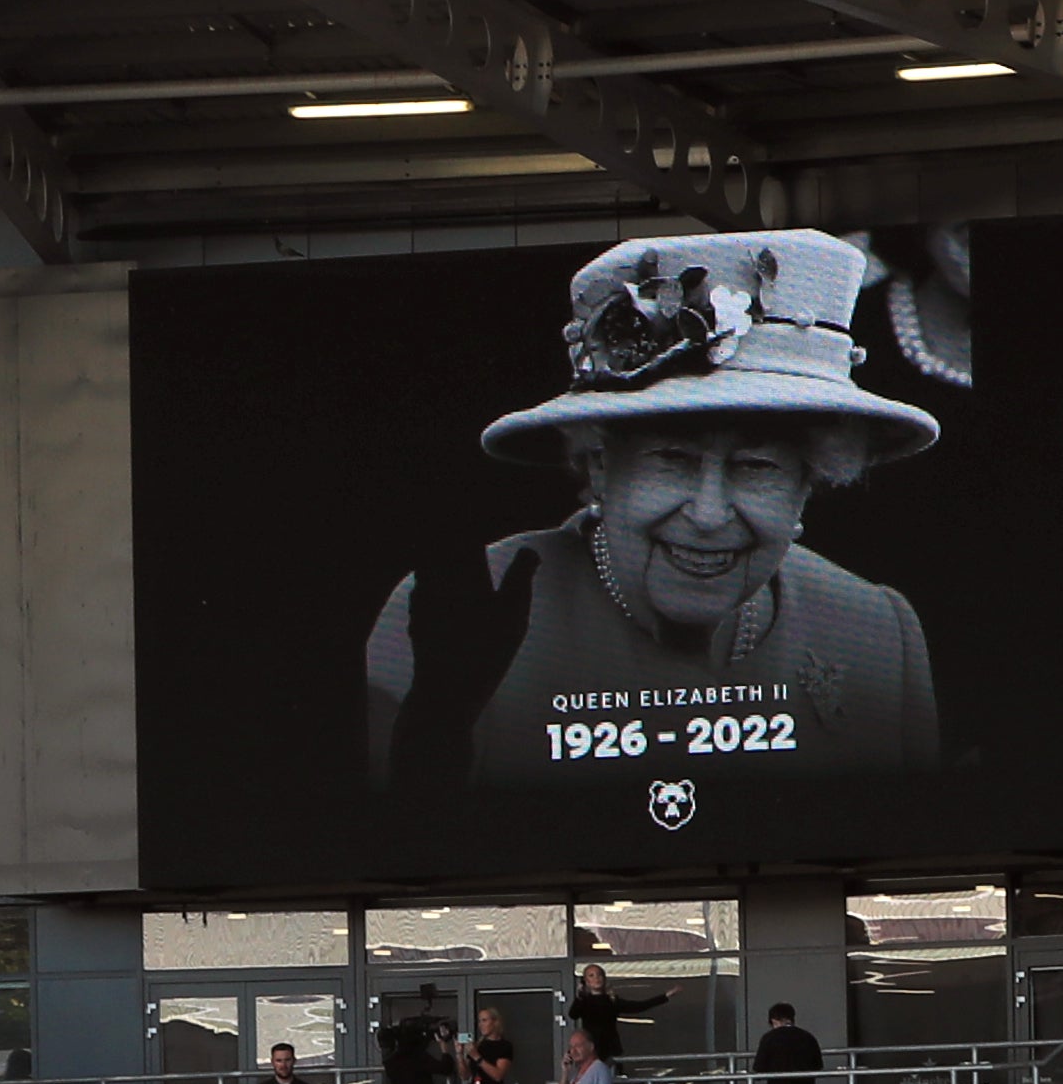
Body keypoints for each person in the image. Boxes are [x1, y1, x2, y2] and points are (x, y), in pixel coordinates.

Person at [363, 229, 946, 789]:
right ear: (598, 466)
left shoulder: (875, 630)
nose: (710, 514)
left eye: (757, 467)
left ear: (809, 484)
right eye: (672, 459)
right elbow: (398, 854)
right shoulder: (460, 611)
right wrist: (440, 715)